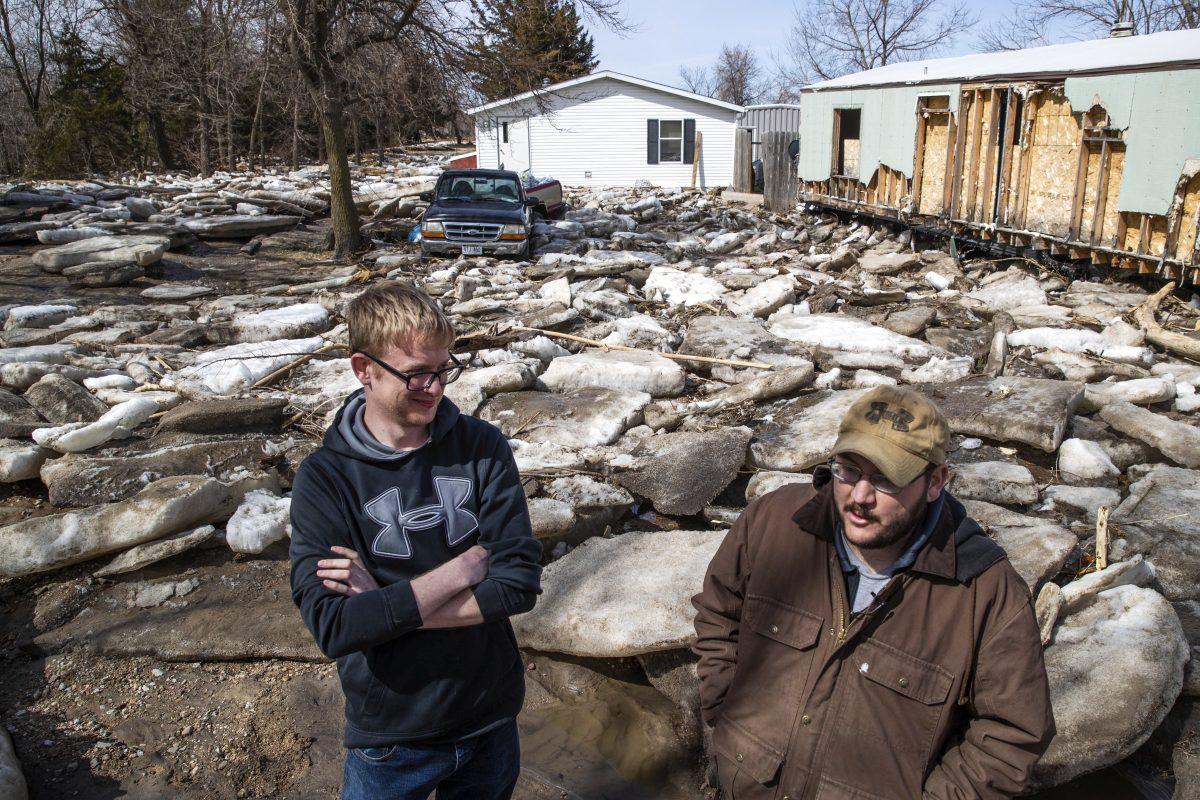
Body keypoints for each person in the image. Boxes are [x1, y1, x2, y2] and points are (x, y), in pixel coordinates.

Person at [692, 385, 1054, 799]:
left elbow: (1011, 735)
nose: (860, 497)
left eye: (885, 479)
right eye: (848, 470)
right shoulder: (774, 522)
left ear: (936, 481)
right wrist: (725, 712)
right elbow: (718, 613)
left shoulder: (985, 593)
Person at [289, 281, 541, 800]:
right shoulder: (325, 479)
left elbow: (517, 585)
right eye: (416, 374)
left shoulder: (481, 447)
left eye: (442, 371)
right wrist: (457, 572)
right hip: (392, 735)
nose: (434, 387)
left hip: (489, 716)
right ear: (364, 369)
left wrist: (386, 609)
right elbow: (335, 628)